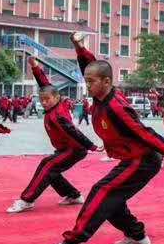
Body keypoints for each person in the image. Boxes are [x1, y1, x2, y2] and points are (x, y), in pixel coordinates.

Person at [40, 33, 164, 244]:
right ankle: (136, 234)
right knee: (112, 199)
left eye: (91, 82)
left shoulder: (115, 106)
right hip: (130, 158)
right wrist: (79, 48)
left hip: (143, 160)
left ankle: (71, 243)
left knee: (102, 192)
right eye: (87, 80)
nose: (87, 84)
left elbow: (143, 132)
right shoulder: (101, 95)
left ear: (107, 83)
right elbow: (92, 68)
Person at [6, 58, 99, 214]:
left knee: (49, 166)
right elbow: (45, 85)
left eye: (47, 99)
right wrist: (35, 67)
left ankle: (27, 200)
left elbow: (74, 132)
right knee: (48, 166)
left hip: (74, 149)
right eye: (42, 100)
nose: (44, 102)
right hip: (64, 149)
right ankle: (73, 195)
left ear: (56, 98)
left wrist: (92, 146)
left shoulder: (59, 114)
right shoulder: (53, 105)